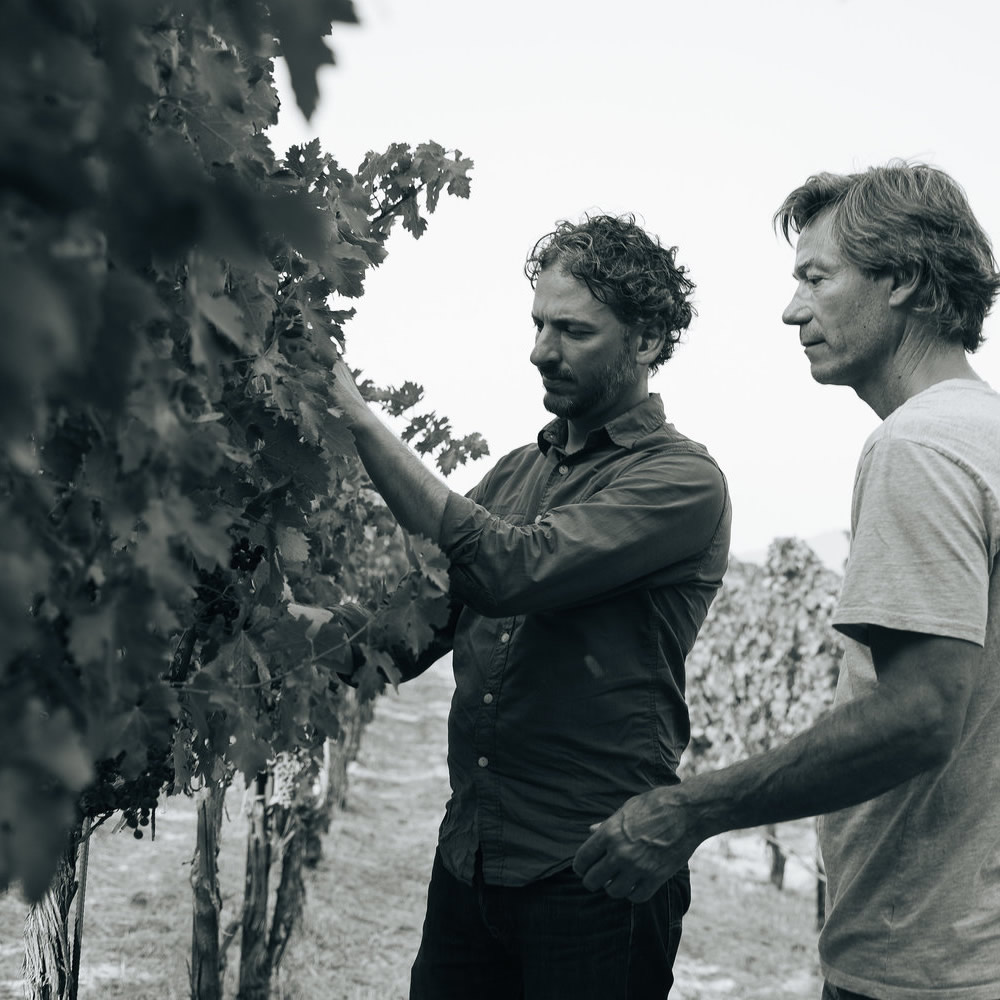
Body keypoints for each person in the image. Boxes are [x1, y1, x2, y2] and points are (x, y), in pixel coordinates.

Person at [573, 163, 1000, 1000]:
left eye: (816, 277)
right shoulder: (986, 432)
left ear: (906, 280)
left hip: (928, 963)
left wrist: (690, 810)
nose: (791, 308)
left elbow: (919, 716)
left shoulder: (920, 447)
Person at [329, 213, 731, 999]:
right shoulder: (514, 475)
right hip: (471, 860)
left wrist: (357, 418)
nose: (541, 350)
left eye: (572, 330)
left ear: (646, 341)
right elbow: (403, 638)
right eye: (539, 324)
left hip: (595, 876)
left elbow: (513, 570)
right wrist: (265, 620)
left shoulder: (682, 483)